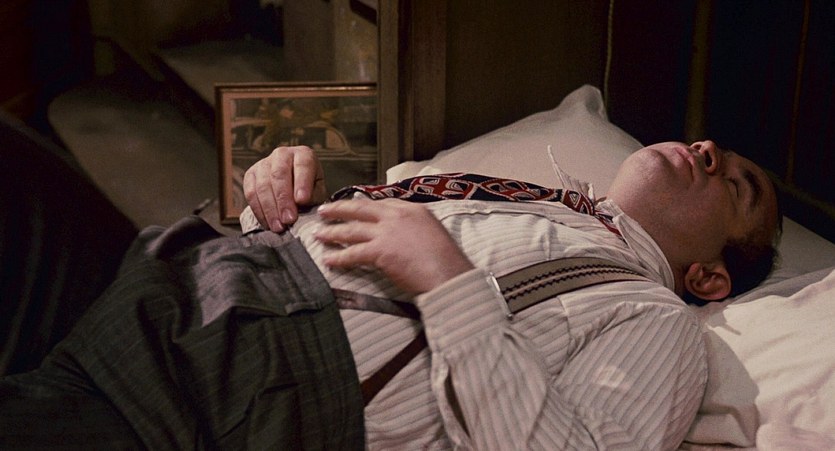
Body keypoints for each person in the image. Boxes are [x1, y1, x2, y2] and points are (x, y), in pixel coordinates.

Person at [0, 140, 781, 450]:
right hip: (182, 275)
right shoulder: (537, 199)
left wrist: (449, 282)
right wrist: (280, 197)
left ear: (708, 277)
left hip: (227, 386)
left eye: (736, 182)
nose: (707, 149)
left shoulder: (657, 318)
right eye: (712, 145)